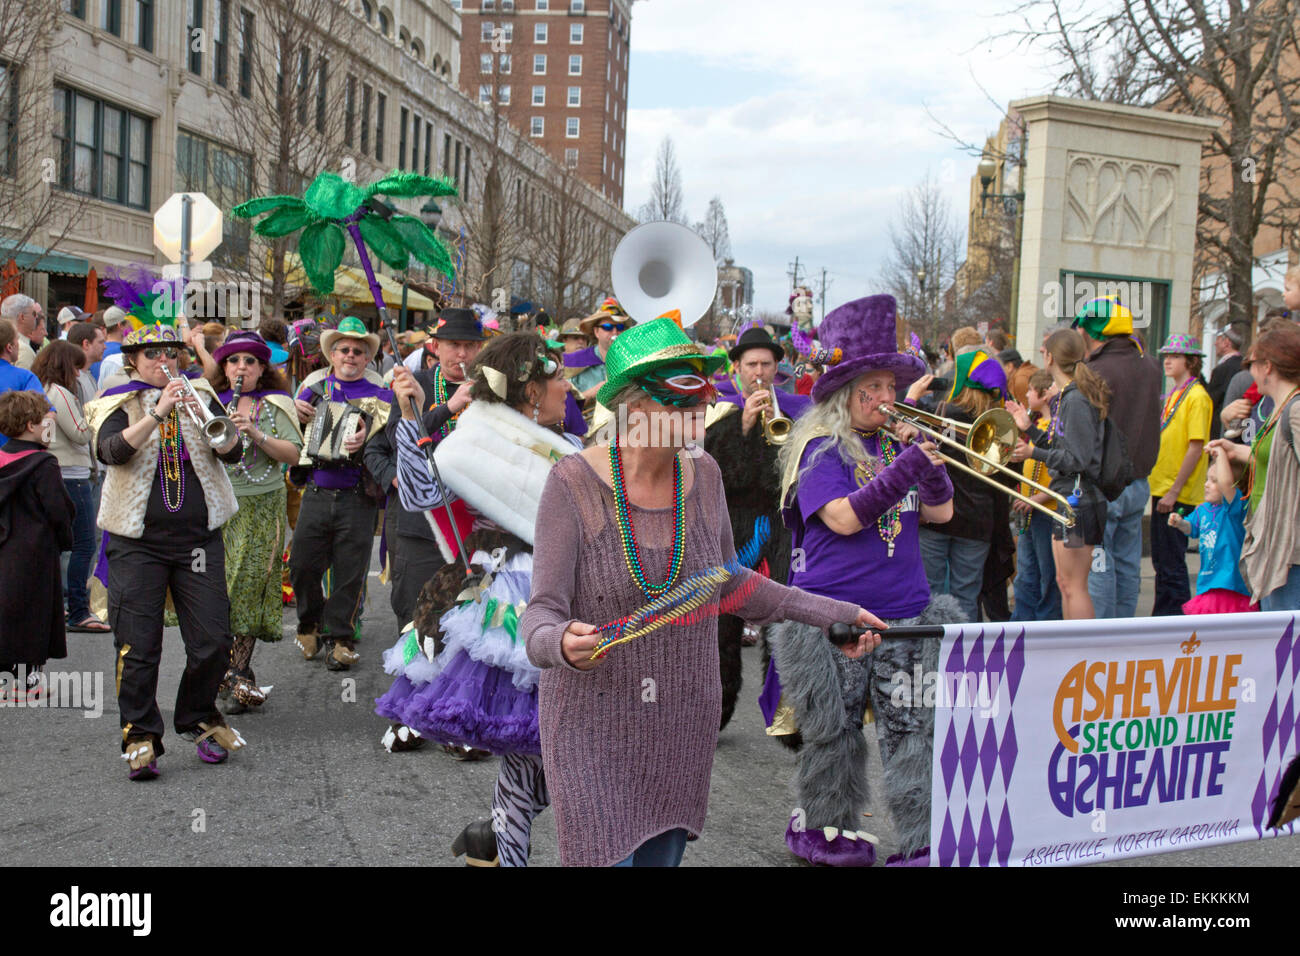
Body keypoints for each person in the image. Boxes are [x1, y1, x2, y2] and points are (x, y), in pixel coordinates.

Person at [522, 317, 882, 867]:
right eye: (685, 393)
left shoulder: (704, 474)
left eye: (705, 388)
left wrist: (837, 613)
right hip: (590, 721)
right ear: (635, 405)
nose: (705, 403)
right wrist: (558, 642)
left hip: (680, 719)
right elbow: (542, 612)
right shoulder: (572, 483)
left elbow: (729, 584)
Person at [771, 294, 960, 866]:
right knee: (835, 731)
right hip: (836, 616)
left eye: (888, 387)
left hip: (908, 614)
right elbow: (846, 517)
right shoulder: (817, 449)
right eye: (869, 389)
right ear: (841, 394)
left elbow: (943, 516)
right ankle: (824, 828)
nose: (884, 399)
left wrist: (931, 475)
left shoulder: (893, 444)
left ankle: (923, 838)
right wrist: (906, 467)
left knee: (912, 733)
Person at [377, 333, 579, 866]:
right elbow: (420, 494)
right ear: (531, 390)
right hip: (514, 598)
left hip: (576, 595)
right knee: (534, 746)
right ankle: (503, 851)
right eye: (558, 377)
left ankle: (490, 837)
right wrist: (413, 419)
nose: (569, 385)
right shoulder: (474, 442)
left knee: (563, 747)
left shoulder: (570, 446)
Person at [84, 324, 247, 780]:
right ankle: (139, 735)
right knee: (139, 646)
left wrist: (214, 424)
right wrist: (157, 413)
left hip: (197, 540)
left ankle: (198, 717)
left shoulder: (198, 394)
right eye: (152, 354)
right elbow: (111, 452)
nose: (163, 361)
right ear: (132, 360)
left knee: (214, 639)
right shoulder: (116, 401)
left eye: (171, 353)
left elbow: (233, 454)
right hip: (138, 544)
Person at [702, 324, 811, 730]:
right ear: (737, 369)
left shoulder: (796, 411)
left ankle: (785, 710)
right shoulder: (722, 412)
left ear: (777, 367)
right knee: (721, 621)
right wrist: (744, 428)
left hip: (780, 525)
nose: (759, 372)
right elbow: (714, 473)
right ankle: (717, 709)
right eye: (751, 364)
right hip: (734, 526)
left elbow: (795, 475)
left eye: (766, 363)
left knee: (783, 613)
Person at [364, 308, 481, 637]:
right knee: (417, 624)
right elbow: (393, 440)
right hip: (422, 527)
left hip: (474, 527)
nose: (462, 353)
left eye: (470, 346)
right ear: (436, 346)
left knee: (469, 628)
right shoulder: (418, 385)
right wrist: (448, 408)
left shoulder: (492, 390)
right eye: (454, 344)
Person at [289, 316, 393, 671]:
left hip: (358, 495)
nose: (350, 356)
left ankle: (341, 638)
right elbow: (288, 437)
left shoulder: (381, 396)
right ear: (332, 355)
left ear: (367, 359)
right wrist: (295, 414)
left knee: (350, 572)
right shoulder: (312, 391)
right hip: (316, 491)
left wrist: (369, 440)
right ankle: (309, 624)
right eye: (344, 350)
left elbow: (392, 445)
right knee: (302, 565)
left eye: (358, 351)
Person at [209, 331, 303, 712]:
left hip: (262, 507)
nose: (241, 367)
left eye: (250, 361)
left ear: (263, 368)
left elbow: (294, 455)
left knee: (247, 588)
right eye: (234, 361)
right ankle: (226, 674)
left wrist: (256, 433)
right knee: (217, 592)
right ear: (224, 367)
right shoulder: (211, 401)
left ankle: (236, 673)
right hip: (220, 508)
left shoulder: (276, 403)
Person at [1007, 328, 1110, 620]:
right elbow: (1063, 447)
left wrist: (1032, 453)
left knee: (1074, 586)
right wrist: (1030, 432)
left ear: (1051, 357)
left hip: (1078, 503)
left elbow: (1075, 459)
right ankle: (1071, 654)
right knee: (1065, 584)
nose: (1042, 356)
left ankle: (1082, 656)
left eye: (1044, 351)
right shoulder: (1068, 397)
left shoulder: (1075, 400)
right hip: (1069, 500)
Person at [1075, 296, 1162, 618]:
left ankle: (1104, 639)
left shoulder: (1094, 370)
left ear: (1092, 331)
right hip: (1137, 483)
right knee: (1127, 564)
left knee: (1099, 565)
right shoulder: (1151, 365)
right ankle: (1125, 634)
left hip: (1102, 486)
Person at [1209, 323, 1300, 611]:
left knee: (1290, 648)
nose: (1249, 372)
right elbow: (1281, 460)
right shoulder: (1281, 406)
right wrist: (1237, 450)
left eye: (1252, 364)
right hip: (1276, 546)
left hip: (1291, 551)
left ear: (1268, 367)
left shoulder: (1295, 410)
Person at [917, 347, 1009, 621]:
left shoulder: (939, 413)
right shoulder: (999, 423)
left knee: (929, 593)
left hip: (936, 515)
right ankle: (963, 657)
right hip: (978, 521)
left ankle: (930, 655)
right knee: (967, 595)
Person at [0, 391, 74, 702]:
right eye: (47, 421)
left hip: (4, 548)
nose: (50, 426)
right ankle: (27, 682)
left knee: (5, 612)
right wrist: (66, 539)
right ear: (31, 425)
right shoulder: (43, 463)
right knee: (35, 614)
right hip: (36, 551)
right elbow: (58, 508)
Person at [32, 340, 108, 634]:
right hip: (71, 475)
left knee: (63, 545)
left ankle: (63, 604)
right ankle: (78, 609)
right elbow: (78, 434)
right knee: (84, 543)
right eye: (76, 367)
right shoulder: (59, 392)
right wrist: (95, 412)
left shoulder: (45, 388)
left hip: (61, 471)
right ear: (66, 365)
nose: (79, 374)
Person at [1148, 334, 1213, 616]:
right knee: (1162, 561)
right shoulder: (1176, 392)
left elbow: (1196, 447)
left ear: (1191, 361)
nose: (1168, 361)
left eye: (1174, 356)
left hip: (1178, 491)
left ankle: (1175, 619)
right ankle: (1165, 616)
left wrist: (1174, 491)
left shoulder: (1197, 396)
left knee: (1172, 562)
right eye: (1165, 356)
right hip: (1162, 485)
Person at [1166, 443, 1255, 614]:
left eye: (1214, 481)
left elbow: (1226, 483)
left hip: (1232, 587)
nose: (1207, 484)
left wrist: (1220, 453)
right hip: (1207, 585)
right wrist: (1179, 523)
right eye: (1207, 479)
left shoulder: (1236, 508)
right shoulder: (1203, 509)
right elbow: (1191, 528)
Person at [1010, 369, 1063, 621]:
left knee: (1046, 573)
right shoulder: (1039, 424)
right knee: (1026, 571)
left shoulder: (1055, 426)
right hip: (1030, 509)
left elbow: (1060, 472)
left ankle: (1045, 622)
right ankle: (1022, 620)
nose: (1028, 394)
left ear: (1043, 394)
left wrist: (1036, 499)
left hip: (1046, 511)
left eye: (1031, 390)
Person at [564, 297, 634, 406]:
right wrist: (592, 393)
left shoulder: (632, 362)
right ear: (596, 332)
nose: (615, 332)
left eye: (620, 327)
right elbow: (563, 406)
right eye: (608, 327)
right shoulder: (575, 361)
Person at [0, 318, 44, 450]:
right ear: (9, 347)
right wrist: (45, 444)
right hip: (14, 459)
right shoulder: (24, 377)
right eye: (17, 340)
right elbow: (49, 414)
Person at [1207, 324, 1245, 440]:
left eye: (1218, 339)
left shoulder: (1222, 369)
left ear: (1226, 342)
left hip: (1220, 432)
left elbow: (1211, 401)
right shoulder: (1245, 366)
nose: (1215, 343)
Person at [1, 294, 45, 370]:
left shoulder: (6, 343)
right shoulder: (23, 350)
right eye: (34, 313)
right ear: (22, 317)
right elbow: (21, 381)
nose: (36, 317)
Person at [67, 322, 106, 405]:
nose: (105, 347)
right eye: (101, 342)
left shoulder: (88, 376)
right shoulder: (71, 381)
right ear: (86, 344)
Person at [95, 307, 129, 388]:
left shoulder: (96, 350)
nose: (130, 328)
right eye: (129, 325)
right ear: (120, 325)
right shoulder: (123, 352)